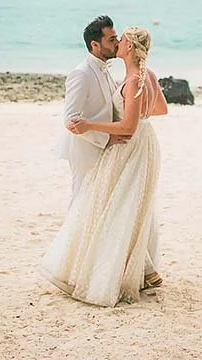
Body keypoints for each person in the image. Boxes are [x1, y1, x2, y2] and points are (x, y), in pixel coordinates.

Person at [41, 26, 169, 306]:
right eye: (115, 39)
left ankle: (136, 270)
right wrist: (140, 113)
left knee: (119, 205)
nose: (118, 43)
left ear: (131, 48)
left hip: (128, 145)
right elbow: (161, 109)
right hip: (144, 142)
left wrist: (90, 125)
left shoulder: (135, 79)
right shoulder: (148, 75)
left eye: (121, 40)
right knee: (130, 203)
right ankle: (143, 268)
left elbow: (128, 126)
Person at [55, 15, 131, 204]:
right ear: (95, 45)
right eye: (112, 40)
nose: (118, 43)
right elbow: (70, 120)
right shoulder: (81, 73)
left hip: (104, 151)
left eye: (117, 38)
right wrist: (107, 138)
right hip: (86, 151)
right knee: (81, 203)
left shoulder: (104, 69)